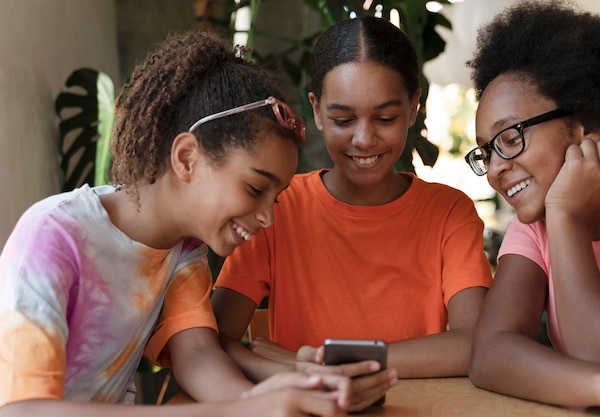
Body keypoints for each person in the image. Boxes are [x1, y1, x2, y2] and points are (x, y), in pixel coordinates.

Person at [0, 31, 360, 417]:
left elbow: (198, 353)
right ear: (187, 157)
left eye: (276, 197)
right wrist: (243, 410)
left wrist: (267, 398)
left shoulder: (185, 249)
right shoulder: (53, 235)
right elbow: (23, 410)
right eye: (255, 188)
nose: (268, 217)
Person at [211, 15, 493, 411]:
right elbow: (213, 338)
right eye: (343, 119)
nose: (364, 139)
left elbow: (476, 344)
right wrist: (288, 372)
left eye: (386, 118)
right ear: (318, 111)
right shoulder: (277, 207)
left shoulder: (449, 213)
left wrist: (319, 362)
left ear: (414, 108)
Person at [463, 1, 600, 416]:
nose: (496, 167)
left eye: (511, 137)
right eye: (486, 151)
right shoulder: (534, 227)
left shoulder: (556, 216)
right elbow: (490, 354)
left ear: (586, 123)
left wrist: (567, 215)